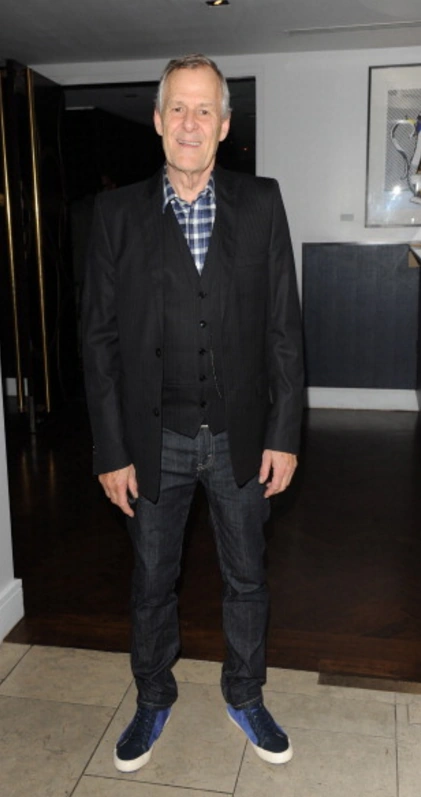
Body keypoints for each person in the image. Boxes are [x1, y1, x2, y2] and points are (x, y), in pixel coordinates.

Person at [82, 53, 303, 773]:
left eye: (204, 109)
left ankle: (245, 692)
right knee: (151, 581)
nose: (189, 122)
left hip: (241, 437)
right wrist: (111, 449)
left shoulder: (262, 203)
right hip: (153, 439)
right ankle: (153, 695)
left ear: (224, 125)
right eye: (177, 107)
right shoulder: (116, 215)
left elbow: (283, 329)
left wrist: (284, 435)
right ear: (156, 119)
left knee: (247, 578)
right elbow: (99, 340)